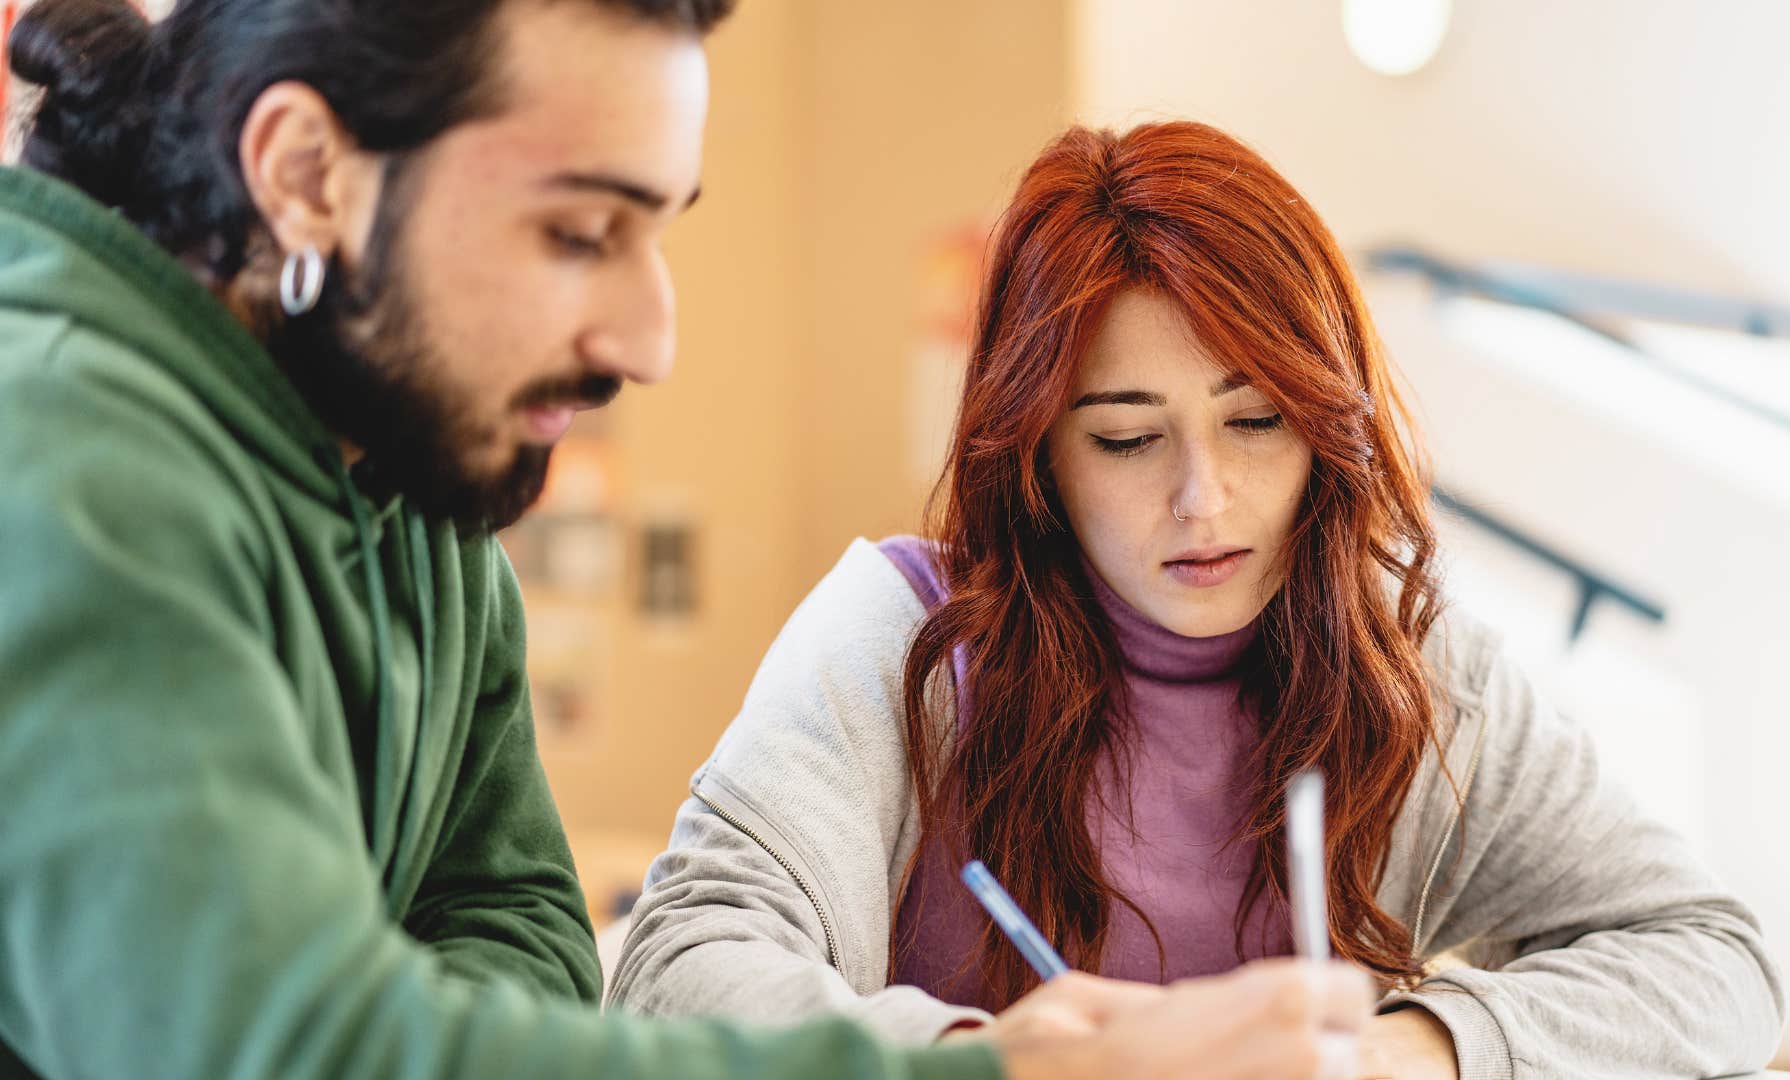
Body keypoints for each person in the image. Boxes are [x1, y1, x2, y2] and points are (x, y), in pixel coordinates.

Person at [0, 2, 1375, 1078]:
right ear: (305, 174)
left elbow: (535, 957)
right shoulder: (64, 463)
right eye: (581, 231)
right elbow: (296, 1054)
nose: (648, 338)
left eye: (655, 233)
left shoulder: (415, 488)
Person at [610, 121, 1789, 1079]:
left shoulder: (1411, 668)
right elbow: (676, 971)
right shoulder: (901, 641)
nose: (1203, 499)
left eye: (1257, 422)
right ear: (1037, 456)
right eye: (1126, 438)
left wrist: (1412, 1051)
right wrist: (989, 1065)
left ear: (1329, 425)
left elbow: (1715, 961)